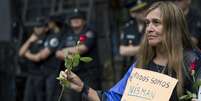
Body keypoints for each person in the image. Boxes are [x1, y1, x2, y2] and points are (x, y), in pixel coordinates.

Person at [58, 1, 201, 101]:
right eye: (147, 23)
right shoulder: (141, 64)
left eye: (156, 22)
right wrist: (82, 87)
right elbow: (115, 97)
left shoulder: (192, 61)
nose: (149, 29)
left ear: (173, 26)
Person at [56, 8, 101, 101]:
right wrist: (68, 55)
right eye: (73, 18)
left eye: (78, 18)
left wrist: (65, 50)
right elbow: (57, 53)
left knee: (91, 97)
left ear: (84, 21)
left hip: (90, 74)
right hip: (74, 74)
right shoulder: (66, 34)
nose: (75, 20)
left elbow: (82, 49)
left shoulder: (89, 32)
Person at [19, 17, 61, 101]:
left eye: (40, 26)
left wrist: (27, 53)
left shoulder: (51, 38)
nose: (37, 29)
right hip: (31, 74)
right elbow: (20, 53)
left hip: (44, 75)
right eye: (36, 26)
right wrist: (29, 41)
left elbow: (39, 57)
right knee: (28, 98)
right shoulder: (32, 38)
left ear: (46, 28)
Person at [119, 0, 152, 76]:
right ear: (132, 14)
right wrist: (144, 48)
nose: (144, 12)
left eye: (144, 9)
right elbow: (122, 51)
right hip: (130, 69)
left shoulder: (151, 26)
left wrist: (132, 49)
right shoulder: (128, 27)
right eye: (139, 11)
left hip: (148, 69)